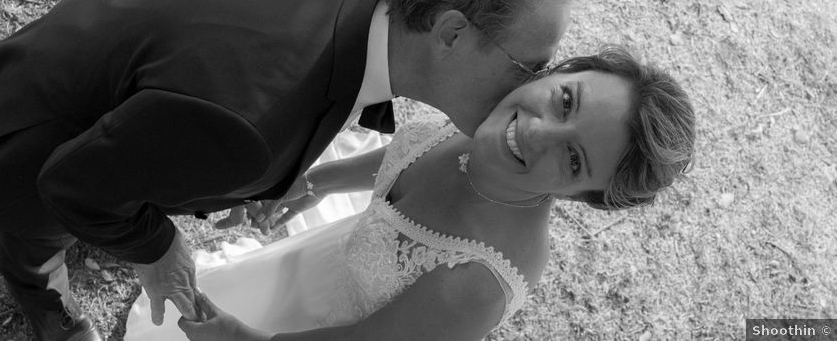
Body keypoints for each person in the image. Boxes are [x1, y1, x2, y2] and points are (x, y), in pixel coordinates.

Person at [0, 0, 590, 341]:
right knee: (37, 231)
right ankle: (35, 285)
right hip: (45, 138)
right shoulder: (247, 129)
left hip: (96, 37)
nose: (530, 91)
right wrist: (158, 249)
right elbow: (73, 184)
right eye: (528, 65)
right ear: (451, 32)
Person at [122, 45, 696, 341]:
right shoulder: (482, 120)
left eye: (574, 159)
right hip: (316, 263)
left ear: (582, 196)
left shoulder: (477, 283)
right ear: (559, 73)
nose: (538, 131)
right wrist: (314, 180)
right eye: (565, 101)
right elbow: (401, 154)